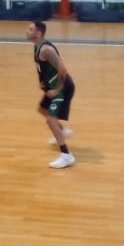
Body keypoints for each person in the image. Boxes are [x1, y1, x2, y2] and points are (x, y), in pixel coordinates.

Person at [29, 21, 77, 169]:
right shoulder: (37, 46)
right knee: (42, 109)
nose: (26, 31)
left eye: (30, 29)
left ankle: (66, 155)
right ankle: (62, 131)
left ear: (38, 33)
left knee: (50, 120)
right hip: (52, 87)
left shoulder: (46, 50)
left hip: (62, 87)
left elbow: (63, 70)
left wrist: (57, 90)